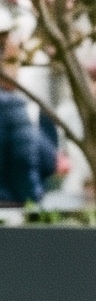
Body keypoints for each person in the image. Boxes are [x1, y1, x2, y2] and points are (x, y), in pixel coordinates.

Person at [0, 35, 64, 209]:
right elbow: (25, 164)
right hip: (10, 208)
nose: (18, 70)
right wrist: (35, 204)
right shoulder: (11, 107)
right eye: (12, 61)